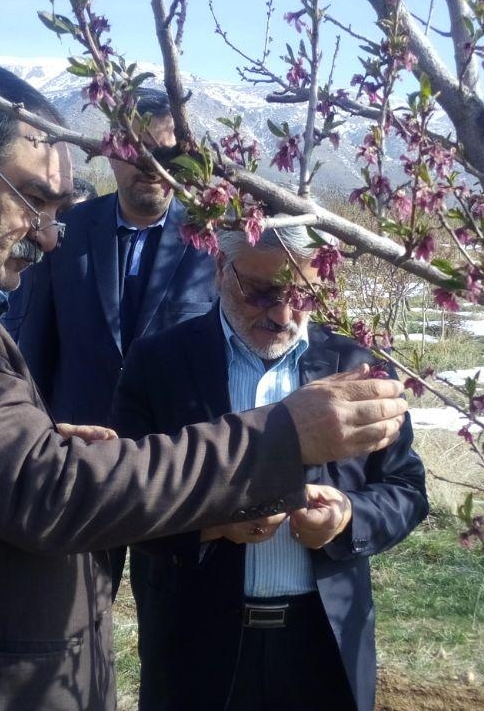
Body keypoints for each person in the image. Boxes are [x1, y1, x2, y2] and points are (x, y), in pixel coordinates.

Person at [0, 65, 411, 711]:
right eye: (35, 200)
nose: (47, 235)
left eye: (57, 209)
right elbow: (41, 491)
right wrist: (282, 434)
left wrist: (41, 441)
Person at [111, 224, 430, 711]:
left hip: (322, 644)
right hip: (196, 644)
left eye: (302, 295)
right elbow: (123, 499)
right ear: (220, 269)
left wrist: (348, 516)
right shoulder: (160, 362)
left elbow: (406, 488)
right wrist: (212, 524)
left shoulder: (354, 364)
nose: (283, 315)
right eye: (260, 293)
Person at [3, 87, 219, 599]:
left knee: (173, 624)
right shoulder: (66, 232)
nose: (149, 165)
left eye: (165, 153)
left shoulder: (212, 240)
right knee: (70, 612)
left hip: (173, 467)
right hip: (81, 464)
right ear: (111, 152)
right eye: (135, 151)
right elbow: (36, 346)